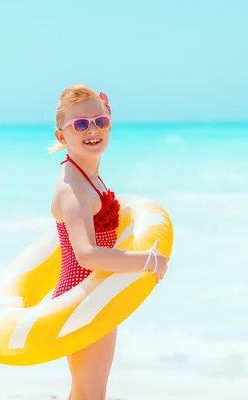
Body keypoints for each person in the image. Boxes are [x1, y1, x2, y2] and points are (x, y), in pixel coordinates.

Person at [48, 84, 169, 400]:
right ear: (62, 137)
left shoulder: (88, 177)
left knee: (84, 392)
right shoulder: (73, 189)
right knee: (91, 394)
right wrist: (148, 260)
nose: (93, 130)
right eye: (80, 124)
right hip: (82, 298)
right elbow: (86, 254)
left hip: (94, 295)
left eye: (100, 121)